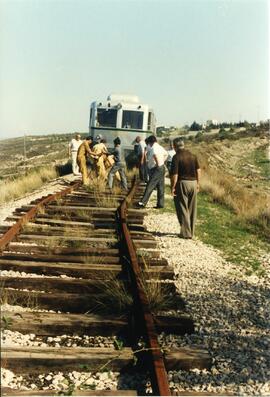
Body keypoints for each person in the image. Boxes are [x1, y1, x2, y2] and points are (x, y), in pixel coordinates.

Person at [171, 139, 201, 239]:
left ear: (174, 146)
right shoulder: (193, 155)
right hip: (193, 183)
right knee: (192, 209)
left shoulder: (176, 157)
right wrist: (198, 183)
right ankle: (191, 232)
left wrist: (173, 186)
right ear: (183, 145)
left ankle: (185, 233)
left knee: (183, 208)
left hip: (182, 183)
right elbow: (198, 170)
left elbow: (175, 175)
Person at [137, 135, 168, 208]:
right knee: (160, 186)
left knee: (150, 185)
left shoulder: (154, 148)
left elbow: (155, 156)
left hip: (157, 168)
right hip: (161, 167)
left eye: (148, 143)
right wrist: (162, 162)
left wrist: (158, 164)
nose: (148, 145)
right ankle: (160, 204)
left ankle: (142, 202)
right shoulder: (160, 147)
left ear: (150, 142)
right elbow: (166, 154)